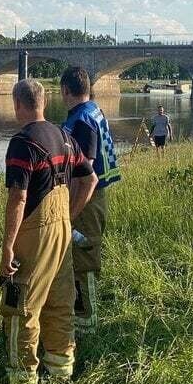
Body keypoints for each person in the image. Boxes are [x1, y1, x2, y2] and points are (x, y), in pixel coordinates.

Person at [0, 79, 96, 384]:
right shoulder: (64, 136)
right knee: (60, 302)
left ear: (18, 104)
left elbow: (19, 198)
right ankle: (62, 370)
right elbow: (90, 179)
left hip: (34, 234)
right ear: (44, 101)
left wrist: (8, 248)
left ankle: (23, 382)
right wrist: (69, 216)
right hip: (62, 231)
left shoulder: (23, 142)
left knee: (22, 306)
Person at [57, 66, 122, 334]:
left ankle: (87, 321)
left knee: (84, 261)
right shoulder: (93, 109)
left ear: (64, 90)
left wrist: (70, 213)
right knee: (81, 258)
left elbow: (87, 175)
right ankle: (81, 314)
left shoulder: (80, 121)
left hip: (86, 199)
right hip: (92, 197)